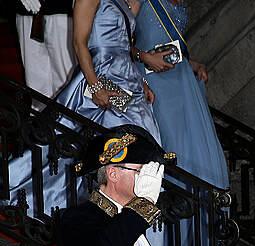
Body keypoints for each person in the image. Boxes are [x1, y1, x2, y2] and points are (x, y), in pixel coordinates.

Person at [6, 0, 161, 218]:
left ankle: (131, 212)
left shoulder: (126, 2)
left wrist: (141, 80)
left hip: (127, 78)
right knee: (101, 144)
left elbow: (125, 43)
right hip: (100, 74)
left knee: (142, 139)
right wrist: (96, 86)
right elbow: (80, 43)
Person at [132, 0, 229, 246]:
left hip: (182, 81)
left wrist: (191, 63)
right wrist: (144, 56)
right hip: (153, 84)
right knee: (174, 162)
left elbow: (171, 40)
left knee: (205, 167)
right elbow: (112, 40)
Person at [14, 0, 76, 103]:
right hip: (26, 10)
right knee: (33, 76)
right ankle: (38, 115)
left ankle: (63, 115)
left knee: (65, 75)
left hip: (59, 11)